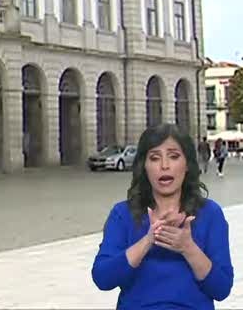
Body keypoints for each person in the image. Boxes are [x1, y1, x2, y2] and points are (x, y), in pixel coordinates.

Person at [91, 124, 233, 309]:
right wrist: (148, 240)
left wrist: (188, 248)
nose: (164, 166)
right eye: (155, 158)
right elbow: (103, 278)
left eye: (174, 157)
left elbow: (221, 289)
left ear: (187, 165)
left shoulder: (210, 214)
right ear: (144, 166)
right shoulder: (123, 214)